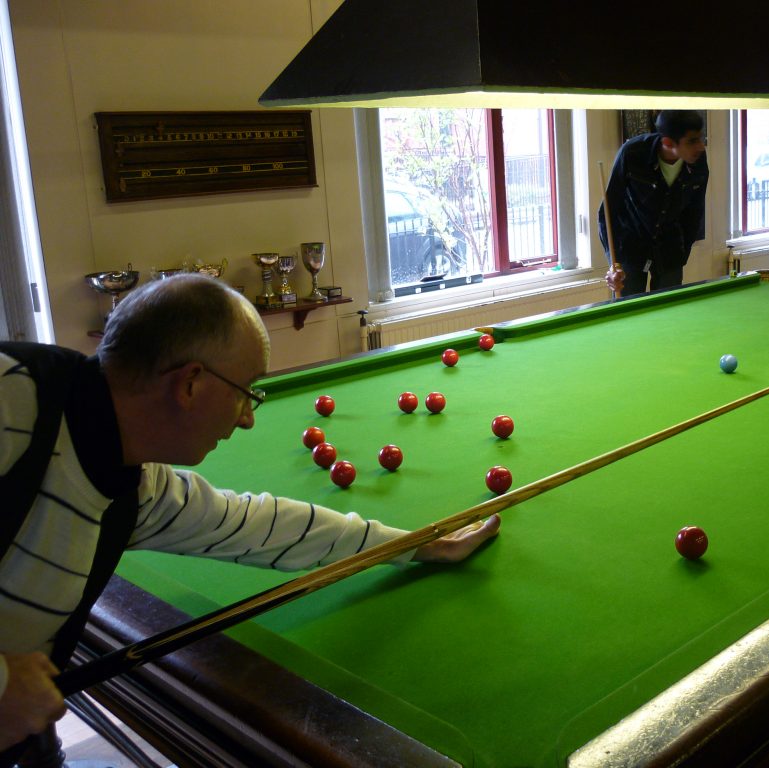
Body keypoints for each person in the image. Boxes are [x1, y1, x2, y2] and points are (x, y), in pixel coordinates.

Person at [0, 274, 500, 758]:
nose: (247, 416)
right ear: (191, 384)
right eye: (246, 390)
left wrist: (415, 544)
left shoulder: (133, 485)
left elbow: (253, 526)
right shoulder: (12, 402)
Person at [598, 110, 708, 296]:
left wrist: (682, 254)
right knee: (628, 313)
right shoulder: (632, 153)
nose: (700, 147)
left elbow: (695, 213)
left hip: (670, 248)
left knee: (668, 313)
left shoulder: (698, 161)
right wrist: (614, 263)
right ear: (668, 143)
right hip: (631, 245)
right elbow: (608, 211)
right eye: (692, 141)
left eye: (700, 138)